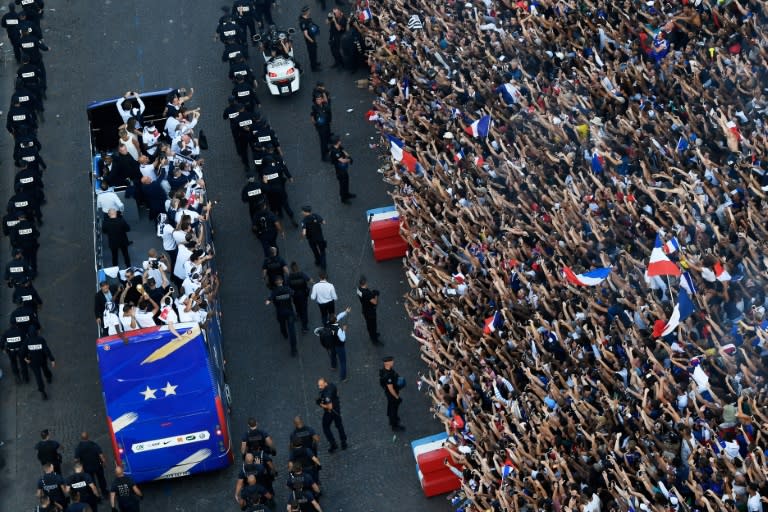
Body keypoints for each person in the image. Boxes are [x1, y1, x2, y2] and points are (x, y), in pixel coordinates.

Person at [265, 274, 298, 356]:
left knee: (282, 324)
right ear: (282, 281)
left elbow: (269, 300)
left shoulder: (275, 292)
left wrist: (268, 301)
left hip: (280, 312)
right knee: (292, 331)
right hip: (289, 312)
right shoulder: (287, 289)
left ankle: (284, 334)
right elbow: (293, 294)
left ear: (276, 283)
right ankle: (293, 349)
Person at [317, 307, 351, 381]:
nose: (337, 316)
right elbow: (343, 339)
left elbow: (338, 316)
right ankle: (343, 377)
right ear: (335, 320)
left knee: (333, 354)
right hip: (339, 345)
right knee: (343, 362)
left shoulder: (328, 323)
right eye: (336, 317)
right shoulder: (338, 330)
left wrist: (345, 312)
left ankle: (333, 366)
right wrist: (344, 330)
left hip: (332, 343)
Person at [316, 377, 347, 452]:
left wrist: (320, 404)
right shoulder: (332, 385)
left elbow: (329, 407)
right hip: (337, 409)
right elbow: (336, 393)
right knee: (339, 425)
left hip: (330, 412)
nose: (319, 387)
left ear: (325, 383)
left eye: (321, 385)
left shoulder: (326, 394)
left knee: (325, 426)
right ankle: (344, 442)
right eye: (318, 385)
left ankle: (333, 444)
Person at [23, 329, 55, 400]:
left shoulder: (27, 341)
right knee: (45, 369)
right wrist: (52, 359)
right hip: (42, 360)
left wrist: (26, 359)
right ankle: (48, 377)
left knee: (38, 377)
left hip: (33, 362)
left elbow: (22, 352)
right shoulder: (41, 339)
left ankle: (43, 392)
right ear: (36, 333)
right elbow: (46, 350)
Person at [74, 431, 108, 497]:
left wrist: (80, 466)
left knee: (91, 481)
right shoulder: (93, 444)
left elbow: (76, 460)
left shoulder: (79, 447)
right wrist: (104, 463)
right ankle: (104, 492)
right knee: (101, 479)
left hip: (87, 467)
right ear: (88, 437)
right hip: (97, 466)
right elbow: (101, 455)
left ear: (81, 438)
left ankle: (95, 495)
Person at [379, 356, 404, 431]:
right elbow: (391, 389)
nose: (393, 362)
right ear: (387, 363)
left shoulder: (386, 370)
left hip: (389, 393)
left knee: (390, 406)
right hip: (391, 394)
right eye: (391, 361)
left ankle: (392, 419)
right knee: (393, 409)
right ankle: (394, 425)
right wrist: (397, 397)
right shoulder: (388, 375)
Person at [356, 275, 382, 345]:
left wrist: (371, 294)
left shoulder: (358, 289)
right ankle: (375, 340)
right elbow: (375, 302)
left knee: (369, 325)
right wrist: (376, 295)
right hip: (370, 312)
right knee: (373, 326)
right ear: (365, 283)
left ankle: (372, 335)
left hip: (365, 310)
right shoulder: (367, 293)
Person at [328, 136, 355, 203]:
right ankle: (343, 199)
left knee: (346, 181)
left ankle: (347, 194)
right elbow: (342, 160)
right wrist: (349, 160)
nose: (340, 141)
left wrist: (348, 156)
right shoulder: (335, 152)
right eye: (339, 140)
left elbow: (343, 151)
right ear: (337, 142)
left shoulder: (338, 147)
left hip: (343, 169)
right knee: (342, 184)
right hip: (340, 171)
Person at [286, 262, 311, 334]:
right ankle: (304, 327)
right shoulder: (302, 274)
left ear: (291, 269)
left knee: (297, 305)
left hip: (294, 295)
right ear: (297, 267)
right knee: (304, 310)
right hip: (303, 295)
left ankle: (298, 314)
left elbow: (287, 286)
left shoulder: (289, 277)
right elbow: (309, 280)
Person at [310, 95, 332, 161]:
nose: (318, 101)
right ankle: (324, 157)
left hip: (327, 125)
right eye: (317, 99)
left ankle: (327, 150)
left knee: (327, 138)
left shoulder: (325, 105)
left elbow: (329, 112)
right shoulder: (314, 107)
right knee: (323, 142)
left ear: (322, 99)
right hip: (321, 127)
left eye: (319, 99)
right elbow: (312, 115)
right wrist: (316, 124)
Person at [298, 6, 321, 71]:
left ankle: (315, 63)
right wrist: (312, 41)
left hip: (312, 37)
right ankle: (313, 67)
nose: (310, 12)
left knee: (314, 52)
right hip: (310, 40)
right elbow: (305, 34)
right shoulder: (303, 22)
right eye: (309, 11)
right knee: (312, 53)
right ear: (306, 12)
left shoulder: (307, 18)